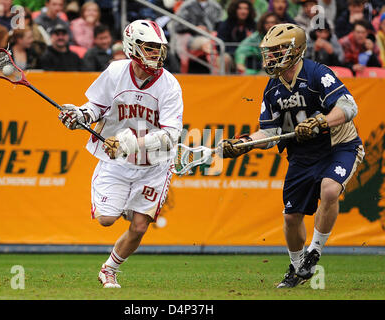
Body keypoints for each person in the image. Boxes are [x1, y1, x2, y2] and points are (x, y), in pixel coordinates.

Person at [219, 23, 364, 288]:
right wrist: (243, 144)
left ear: (295, 50)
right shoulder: (273, 87)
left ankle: (314, 252)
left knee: (330, 190)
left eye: (277, 50)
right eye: (269, 51)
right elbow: (270, 132)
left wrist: (321, 122)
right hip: (303, 155)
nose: (271, 56)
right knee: (291, 216)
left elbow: (348, 105)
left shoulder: (317, 73)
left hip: (338, 146)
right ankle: (297, 267)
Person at [57, 19, 183, 288]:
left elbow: (171, 136)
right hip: (118, 160)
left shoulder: (170, 85)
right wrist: (80, 115)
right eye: (149, 47)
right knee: (106, 219)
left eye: (159, 48)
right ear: (132, 47)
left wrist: (130, 142)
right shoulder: (116, 71)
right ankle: (128, 204)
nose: (156, 54)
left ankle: (109, 269)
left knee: (139, 226)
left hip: (154, 164)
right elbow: (97, 106)